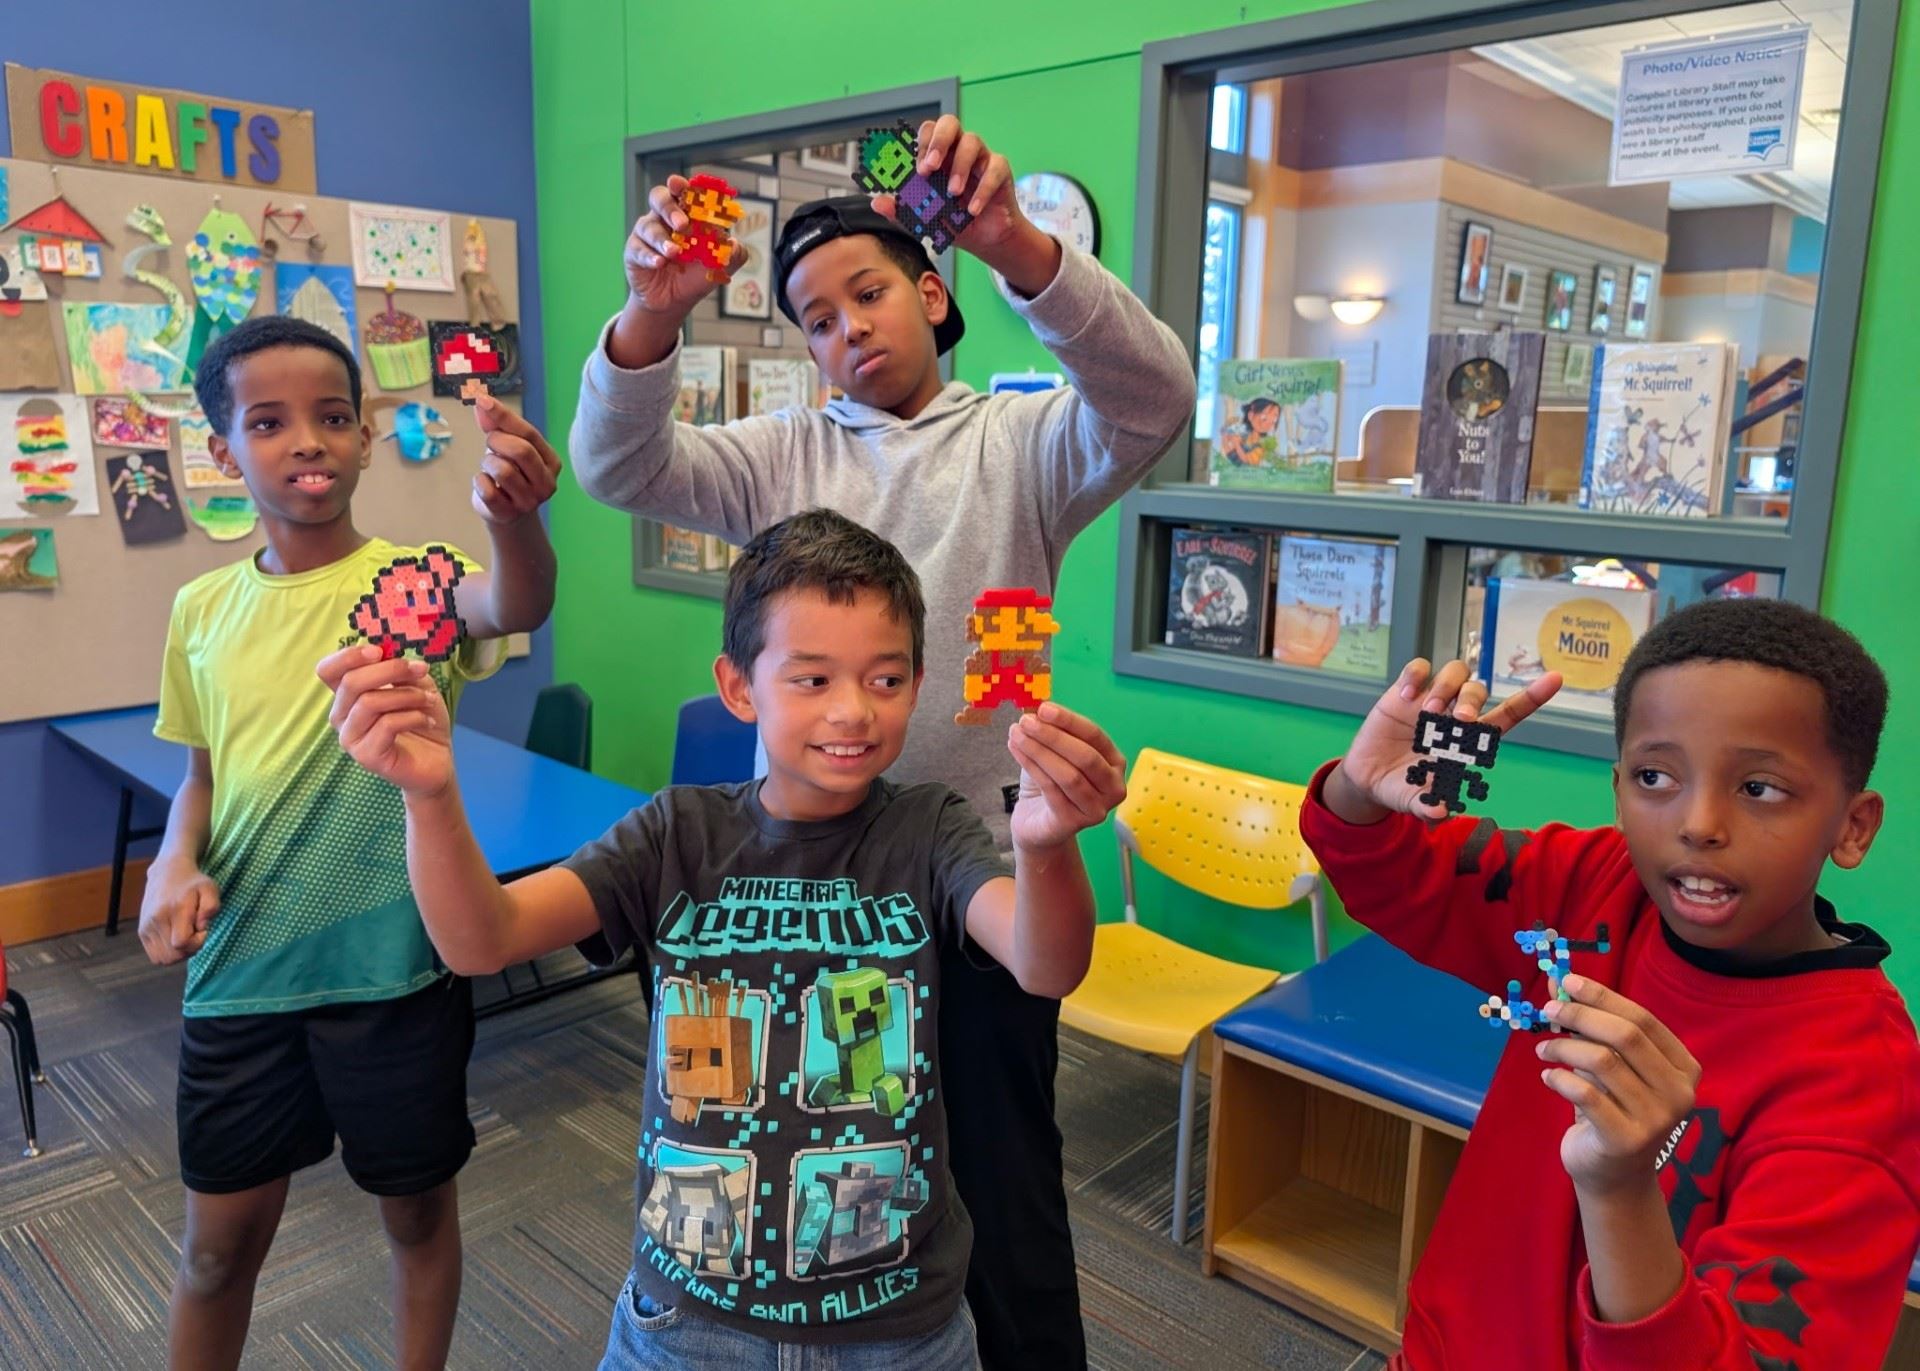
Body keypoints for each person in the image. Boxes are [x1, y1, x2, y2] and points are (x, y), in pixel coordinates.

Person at [570, 114, 1195, 1368]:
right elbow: (616, 465)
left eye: (869, 292)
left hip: (972, 890)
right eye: (815, 318)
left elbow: (1155, 398)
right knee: (811, 1165)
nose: (847, 328)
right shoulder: (780, 457)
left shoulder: (1021, 443)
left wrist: (1016, 244)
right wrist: (652, 315)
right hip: (803, 893)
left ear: (932, 291)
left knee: (1005, 1186)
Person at [316, 508, 1129, 1370]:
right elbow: (484, 940)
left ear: (918, 682)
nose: (853, 710)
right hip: (690, 1321)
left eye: (885, 679)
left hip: (898, 1326)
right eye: (812, 679)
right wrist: (430, 796)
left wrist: (1046, 847)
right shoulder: (677, 833)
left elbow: (1046, 963)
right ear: (740, 687)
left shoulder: (931, 828)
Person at [1300, 597, 1920, 1368]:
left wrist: (1622, 1187)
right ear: (1619, 789)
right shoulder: (1592, 886)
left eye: (1760, 788)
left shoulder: (1860, 1081)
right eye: (1656, 776)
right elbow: (1398, 876)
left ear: (1852, 826)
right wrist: (1362, 791)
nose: (1699, 823)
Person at [137, 315, 560, 1371]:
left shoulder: (419, 580)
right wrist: (171, 861)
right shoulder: (199, 609)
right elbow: (200, 778)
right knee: (215, 1253)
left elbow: (517, 598)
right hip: (242, 970)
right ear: (223, 451)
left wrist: (515, 519)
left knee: (416, 1217)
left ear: (367, 436)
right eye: (268, 423)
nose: (307, 441)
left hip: (395, 970)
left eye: (332, 417)